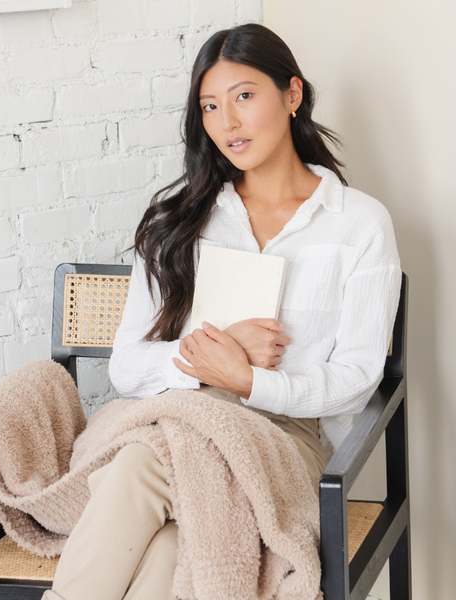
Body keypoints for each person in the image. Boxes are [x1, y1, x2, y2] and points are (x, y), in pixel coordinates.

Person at [43, 22, 401, 600]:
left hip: (289, 445)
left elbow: (358, 382)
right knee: (165, 552)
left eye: (243, 97)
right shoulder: (180, 221)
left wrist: (251, 382)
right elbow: (128, 368)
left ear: (292, 95)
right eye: (210, 105)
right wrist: (211, 357)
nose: (226, 122)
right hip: (185, 421)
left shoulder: (358, 223)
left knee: (138, 464)